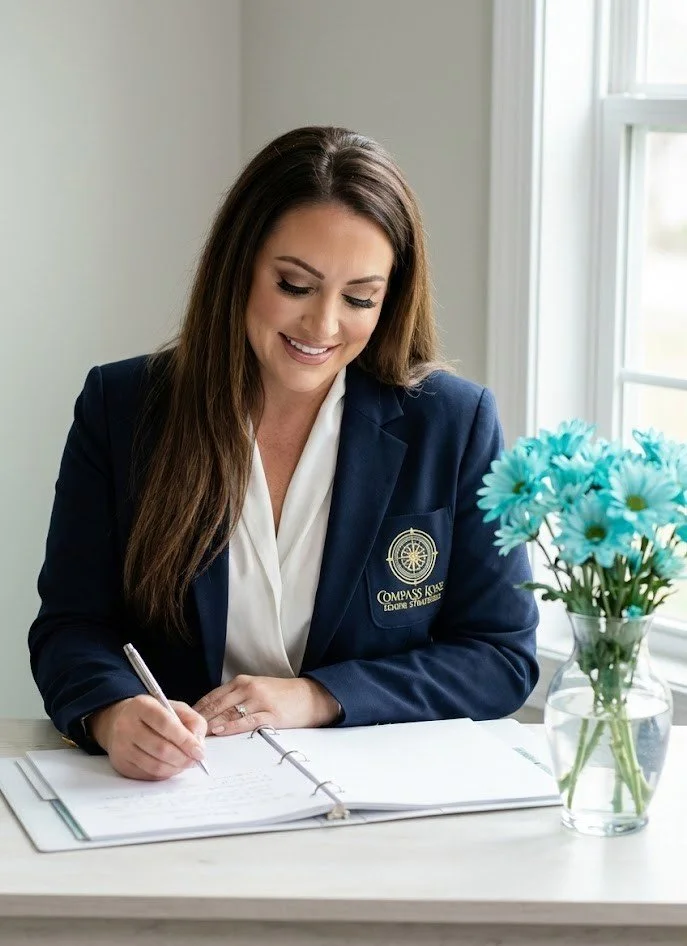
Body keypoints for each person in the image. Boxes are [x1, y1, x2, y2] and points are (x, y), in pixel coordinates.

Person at [29, 125, 539, 782]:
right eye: (295, 285)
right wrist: (113, 713)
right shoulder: (122, 407)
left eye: (359, 298)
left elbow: (499, 657)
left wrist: (320, 696)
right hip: (179, 796)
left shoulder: (453, 422)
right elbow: (70, 626)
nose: (322, 325)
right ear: (238, 266)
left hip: (372, 802)